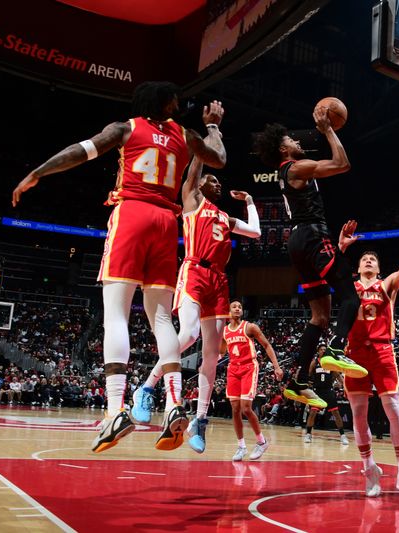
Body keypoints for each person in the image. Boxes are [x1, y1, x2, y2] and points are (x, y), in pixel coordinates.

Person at [12, 82, 227, 453]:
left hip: (132, 214)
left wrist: (39, 172)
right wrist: (214, 126)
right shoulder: (185, 135)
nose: (180, 102)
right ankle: (174, 404)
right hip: (166, 223)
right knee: (162, 319)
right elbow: (219, 158)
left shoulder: (125, 128)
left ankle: (115, 410)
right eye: (175, 99)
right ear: (166, 104)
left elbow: (80, 152)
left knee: (115, 314)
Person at [133, 154, 262, 453]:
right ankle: (148, 386)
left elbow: (255, 232)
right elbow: (193, 173)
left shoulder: (225, 218)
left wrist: (251, 201)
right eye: (212, 180)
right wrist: (203, 150)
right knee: (188, 334)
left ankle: (200, 419)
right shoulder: (193, 202)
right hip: (194, 270)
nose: (218, 183)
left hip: (219, 281)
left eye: (218, 180)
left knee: (212, 355)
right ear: (201, 186)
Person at [252, 112, 366, 409]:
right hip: (313, 236)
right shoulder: (295, 167)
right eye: (290, 139)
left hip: (298, 243)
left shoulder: (286, 172)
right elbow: (342, 164)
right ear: (282, 149)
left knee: (321, 316)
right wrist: (328, 131)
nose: (296, 141)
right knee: (351, 297)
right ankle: (336, 349)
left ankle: (299, 381)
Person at [337, 200, 399, 497]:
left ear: (379, 268)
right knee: (357, 414)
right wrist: (342, 247)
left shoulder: (389, 285)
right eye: (364, 258)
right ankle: (369, 468)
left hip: (382, 351)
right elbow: (329, 273)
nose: (368, 260)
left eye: (373, 259)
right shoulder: (348, 286)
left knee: (393, 408)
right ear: (357, 267)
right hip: (354, 352)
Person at [220, 301, 283, 461]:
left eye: (240, 307)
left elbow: (267, 345)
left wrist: (276, 366)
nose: (237, 309)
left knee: (246, 408)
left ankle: (261, 442)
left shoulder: (250, 327)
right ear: (228, 312)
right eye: (234, 307)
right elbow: (221, 351)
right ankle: (241, 446)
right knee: (235, 409)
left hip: (249, 367)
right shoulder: (224, 331)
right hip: (233, 369)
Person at [304, 347, 349, 445]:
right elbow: (308, 374)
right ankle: (308, 434)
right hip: (317, 391)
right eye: (321, 349)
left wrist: (344, 386)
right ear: (318, 351)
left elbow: (337, 375)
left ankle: (342, 435)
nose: (323, 351)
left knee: (336, 413)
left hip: (328, 390)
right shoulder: (315, 362)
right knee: (312, 413)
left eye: (325, 349)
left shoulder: (330, 362)